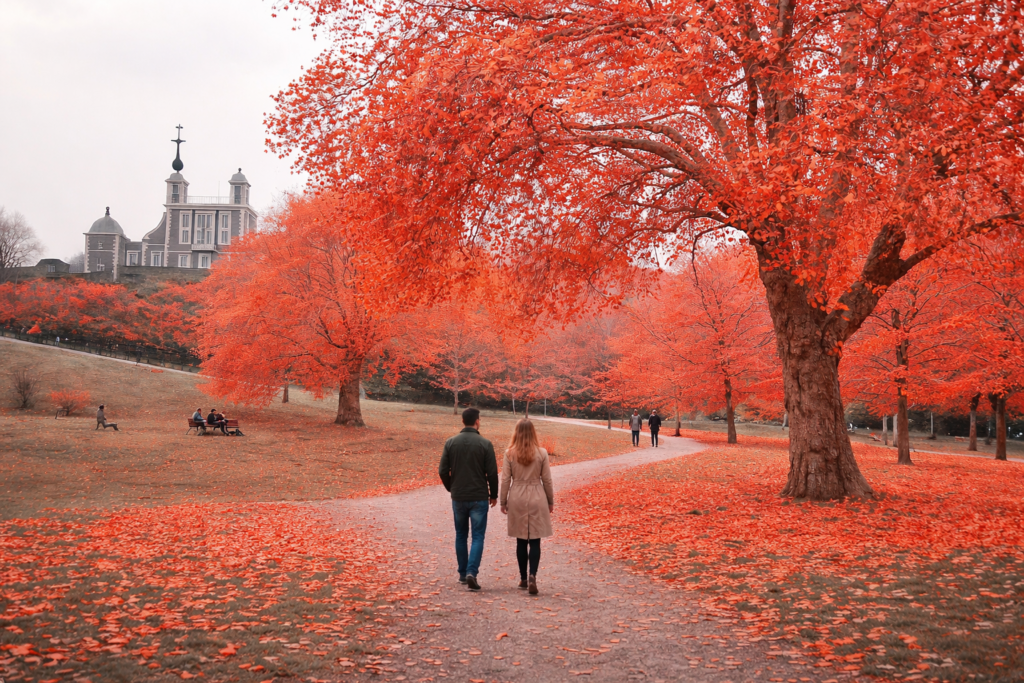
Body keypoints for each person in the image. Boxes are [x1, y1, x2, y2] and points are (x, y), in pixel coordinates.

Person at [439, 407, 498, 591]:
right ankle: (472, 571)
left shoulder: (450, 443)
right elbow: (493, 473)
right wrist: (493, 494)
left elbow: (442, 471)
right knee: (478, 536)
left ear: (463, 421)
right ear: (477, 421)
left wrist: (452, 488)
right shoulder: (485, 444)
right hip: (479, 497)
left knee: (461, 535)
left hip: (458, 496)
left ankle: (463, 574)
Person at [500, 419, 554, 596]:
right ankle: (533, 575)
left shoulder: (509, 454)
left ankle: (523, 578)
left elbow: (506, 479)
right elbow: (546, 479)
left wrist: (503, 500)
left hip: (517, 495)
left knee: (521, 540)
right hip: (537, 494)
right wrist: (550, 500)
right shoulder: (542, 453)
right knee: (536, 539)